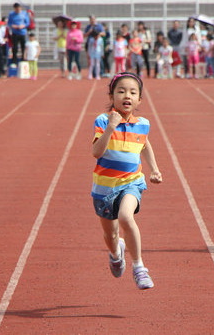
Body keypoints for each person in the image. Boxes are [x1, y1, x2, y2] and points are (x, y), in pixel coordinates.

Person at [91, 72, 162, 289]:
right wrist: (111, 127)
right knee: (110, 235)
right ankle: (115, 253)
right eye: (121, 91)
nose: (126, 95)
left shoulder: (143, 124)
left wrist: (154, 169)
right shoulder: (103, 120)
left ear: (139, 99)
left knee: (125, 216)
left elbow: (145, 143)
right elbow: (96, 152)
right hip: (104, 188)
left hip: (132, 182)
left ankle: (139, 267)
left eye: (133, 92)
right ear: (112, 96)